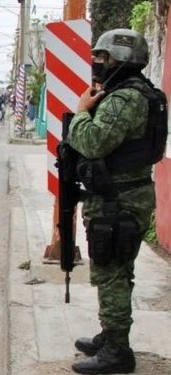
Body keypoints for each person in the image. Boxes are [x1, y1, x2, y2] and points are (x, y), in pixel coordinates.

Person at [67, 29, 167, 374]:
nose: (98, 63)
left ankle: (117, 353)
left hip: (117, 200)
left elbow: (93, 143)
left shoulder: (125, 99)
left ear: (122, 60)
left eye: (104, 58)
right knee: (119, 270)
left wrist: (81, 112)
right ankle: (110, 335)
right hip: (127, 194)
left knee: (110, 274)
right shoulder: (140, 94)